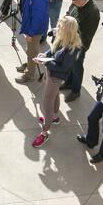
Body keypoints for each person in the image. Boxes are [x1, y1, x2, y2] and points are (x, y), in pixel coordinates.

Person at [31, 16, 82, 148]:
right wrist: (45, 55)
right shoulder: (63, 37)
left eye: (60, 27)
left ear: (67, 30)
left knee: (47, 102)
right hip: (51, 73)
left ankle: (45, 132)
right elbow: (53, 49)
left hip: (56, 77)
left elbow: (63, 67)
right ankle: (54, 117)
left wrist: (45, 63)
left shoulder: (73, 47)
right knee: (55, 95)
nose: (57, 28)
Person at [64, 0, 100, 102]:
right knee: (70, 64)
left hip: (79, 45)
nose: (73, 3)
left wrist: (72, 35)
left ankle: (75, 91)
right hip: (69, 40)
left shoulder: (93, 12)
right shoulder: (76, 3)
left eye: (75, 1)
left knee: (77, 67)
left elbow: (86, 35)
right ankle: (69, 83)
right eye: (72, 0)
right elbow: (69, 12)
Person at [15, 0, 50, 85]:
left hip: (34, 29)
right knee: (30, 49)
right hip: (31, 25)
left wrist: (31, 33)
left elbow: (37, 18)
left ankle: (30, 74)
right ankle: (30, 63)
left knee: (32, 50)